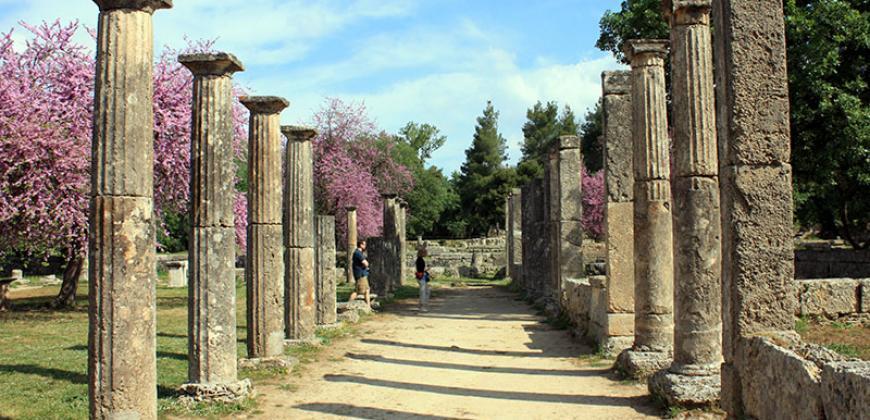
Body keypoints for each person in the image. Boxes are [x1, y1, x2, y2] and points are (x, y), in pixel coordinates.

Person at [348, 239, 371, 307]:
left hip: (362, 274)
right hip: (361, 275)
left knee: (366, 290)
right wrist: (366, 265)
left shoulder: (359, 253)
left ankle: (368, 307)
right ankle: (348, 305)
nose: (365, 246)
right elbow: (365, 263)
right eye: (364, 244)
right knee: (358, 291)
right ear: (361, 245)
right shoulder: (357, 253)